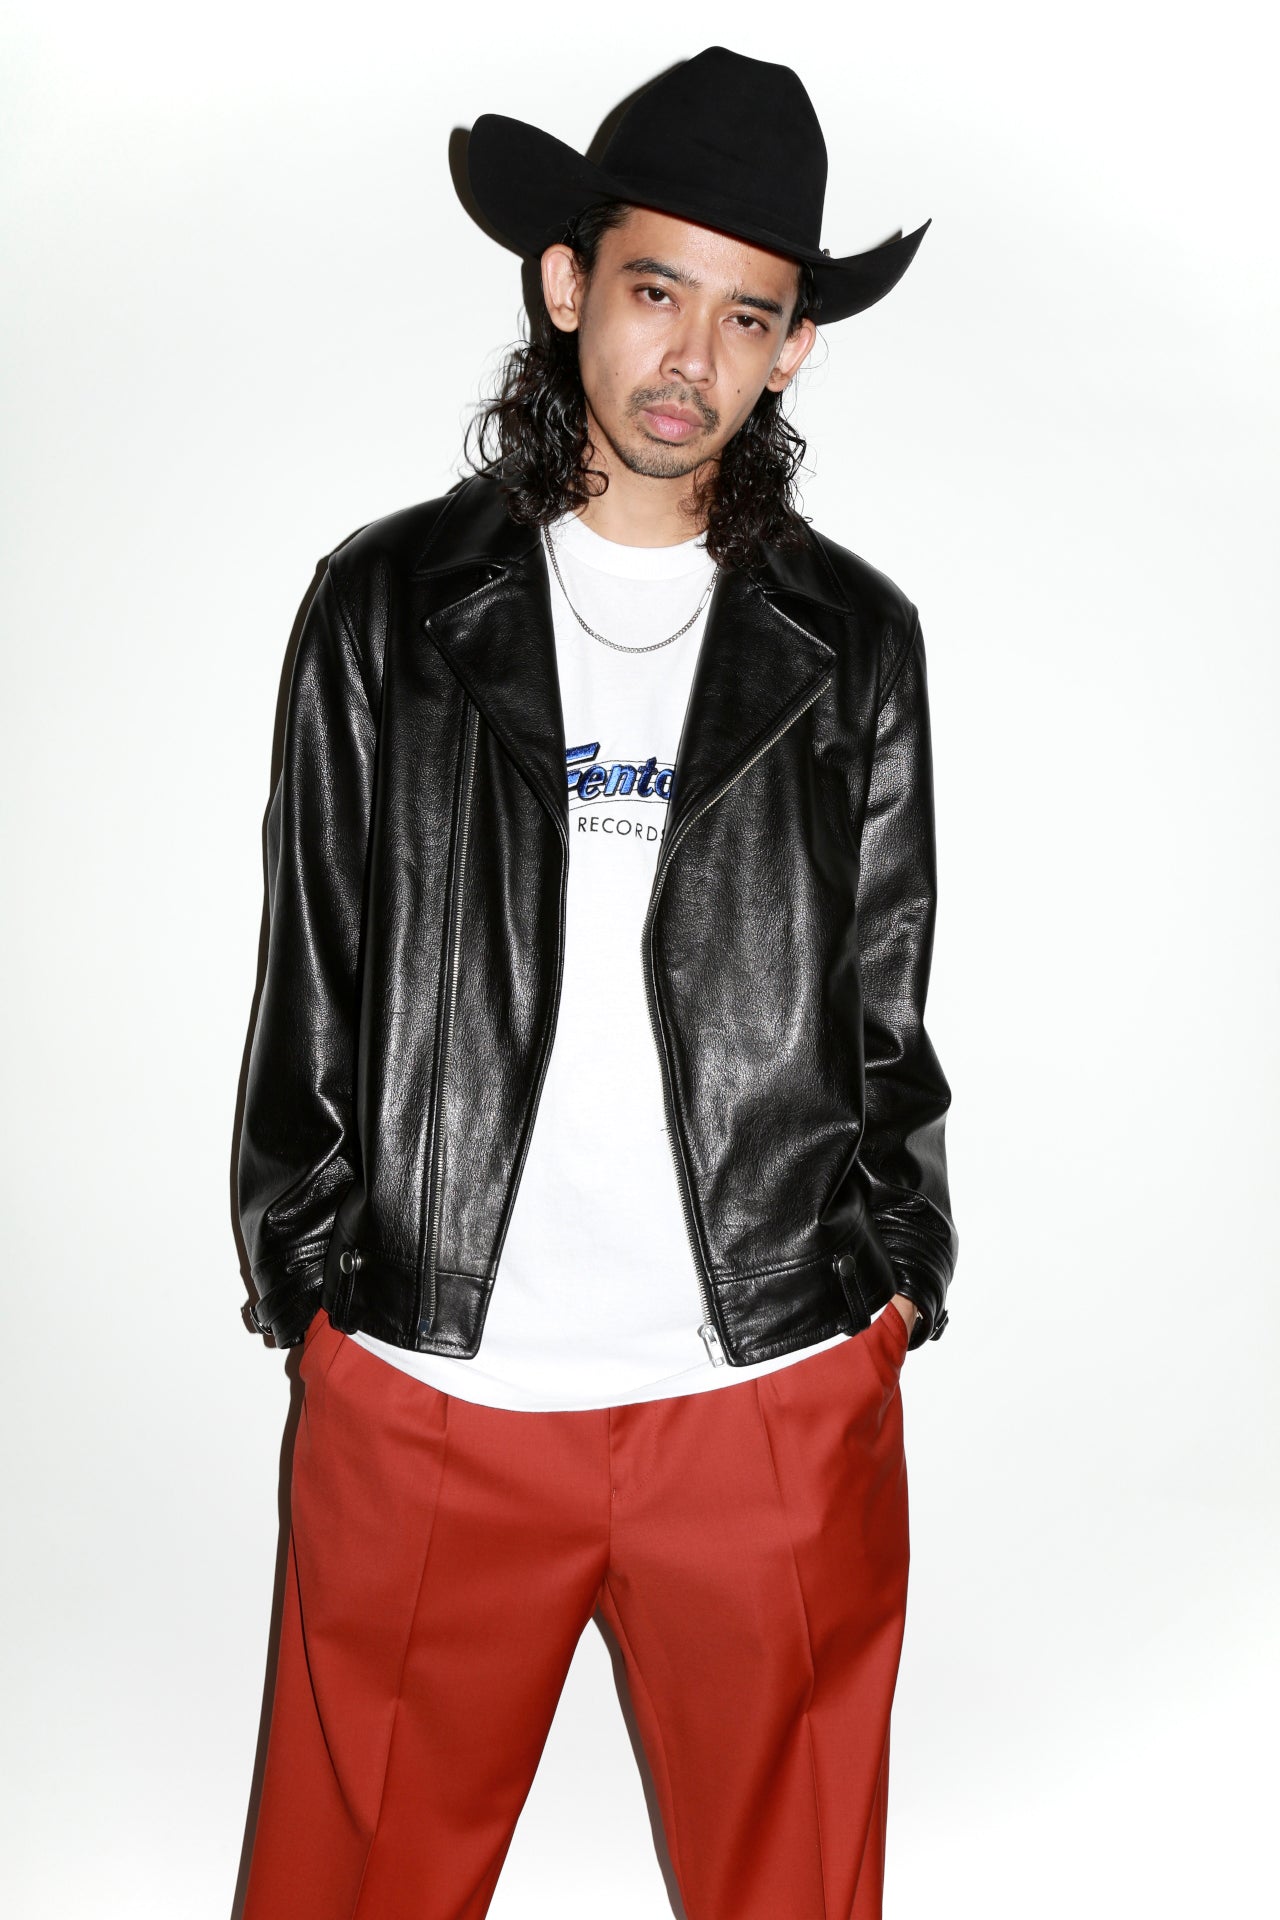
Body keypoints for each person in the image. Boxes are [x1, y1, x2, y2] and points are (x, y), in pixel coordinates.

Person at [235, 45, 959, 1920]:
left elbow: (884, 1004)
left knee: (793, 1893)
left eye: (748, 315)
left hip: (769, 1387)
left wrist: (888, 1290)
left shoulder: (854, 641)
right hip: (432, 1387)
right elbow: (311, 961)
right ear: (566, 283)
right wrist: (319, 1296)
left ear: (794, 347)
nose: (689, 358)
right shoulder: (390, 608)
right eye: (655, 289)